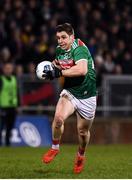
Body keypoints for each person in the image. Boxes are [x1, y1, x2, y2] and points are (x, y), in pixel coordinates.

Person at [41, 23, 97, 174]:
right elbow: (60, 65)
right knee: (58, 118)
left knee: (82, 132)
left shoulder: (79, 48)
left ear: (72, 37)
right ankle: (54, 148)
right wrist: (52, 68)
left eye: (64, 37)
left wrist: (59, 74)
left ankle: (81, 155)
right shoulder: (60, 50)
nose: (60, 41)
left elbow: (82, 69)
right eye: (58, 38)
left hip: (87, 95)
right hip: (71, 91)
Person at [0, 62, 18, 146]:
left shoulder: (14, 79)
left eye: (9, 68)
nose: (8, 70)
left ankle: (7, 144)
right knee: (1, 126)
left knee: (9, 127)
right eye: (6, 68)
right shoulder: (1, 79)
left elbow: (16, 92)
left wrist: (18, 104)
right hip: (3, 106)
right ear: (3, 69)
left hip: (12, 107)